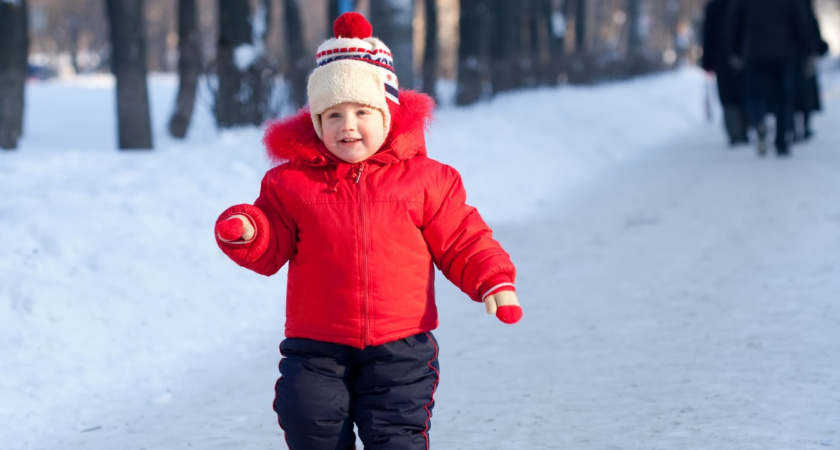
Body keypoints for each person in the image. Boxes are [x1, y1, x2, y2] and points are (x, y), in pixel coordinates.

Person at [213, 12, 523, 450]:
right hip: (316, 344)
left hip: (401, 345)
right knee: (307, 420)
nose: (348, 126)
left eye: (362, 111)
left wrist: (494, 280)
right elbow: (272, 240)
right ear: (317, 124)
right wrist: (248, 231)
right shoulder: (291, 184)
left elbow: (462, 237)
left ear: (389, 115)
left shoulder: (427, 180)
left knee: (396, 435)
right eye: (333, 115)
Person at [727, 0, 819, 157]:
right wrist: (810, 49)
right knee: (784, 97)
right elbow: (801, 22)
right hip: (783, 52)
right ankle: (781, 141)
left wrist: (734, 50)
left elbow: (735, 22)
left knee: (755, 94)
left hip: (754, 52)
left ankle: (759, 121)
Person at [702, 0, 749, 146]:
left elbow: (707, 35)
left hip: (721, 57)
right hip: (743, 56)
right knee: (743, 93)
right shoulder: (744, 4)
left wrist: (707, 61)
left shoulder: (714, 6)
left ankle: (734, 132)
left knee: (728, 96)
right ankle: (743, 130)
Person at [793, 0, 830, 141]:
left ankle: (794, 127)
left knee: (790, 93)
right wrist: (817, 48)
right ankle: (804, 127)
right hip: (802, 56)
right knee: (805, 93)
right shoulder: (803, 7)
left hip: (788, 55)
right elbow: (811, 29)